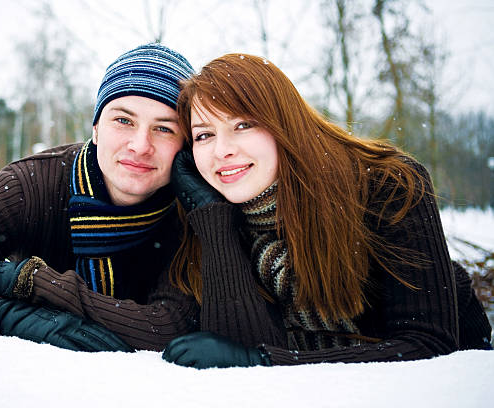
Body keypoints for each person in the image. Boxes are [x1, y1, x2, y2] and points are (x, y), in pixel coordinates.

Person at [163, 53, 492, 368]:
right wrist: (212, 219)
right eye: (204, 135)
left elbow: (428, 346)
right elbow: (235, 355)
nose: (222, 151)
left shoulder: (386, 186)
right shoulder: (213, 212)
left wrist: (266, 362)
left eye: (243, 125)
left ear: (283, 123)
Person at [0, 43, 200, 352]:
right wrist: (13, 316)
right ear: (96, 128)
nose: (140, 145)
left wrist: (30, 282)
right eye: (123, 120)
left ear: (185, 143)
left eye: (164, 129)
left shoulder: (190, 208)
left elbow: (170, 327)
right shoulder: (27, 188)